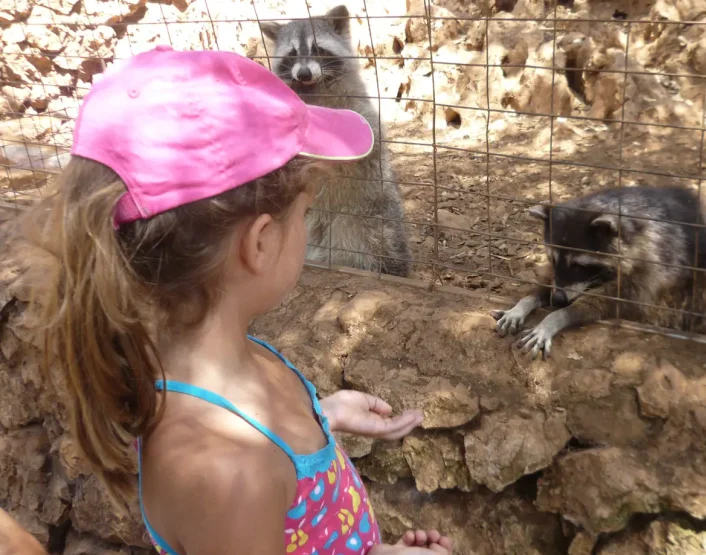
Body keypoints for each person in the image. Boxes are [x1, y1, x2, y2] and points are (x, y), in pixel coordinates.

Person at [11, 46, 452, 555]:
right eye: (304, 215)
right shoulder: (225, 475)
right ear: (260, 243)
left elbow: (277, 469)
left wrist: (321, 417)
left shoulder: (226, 359)